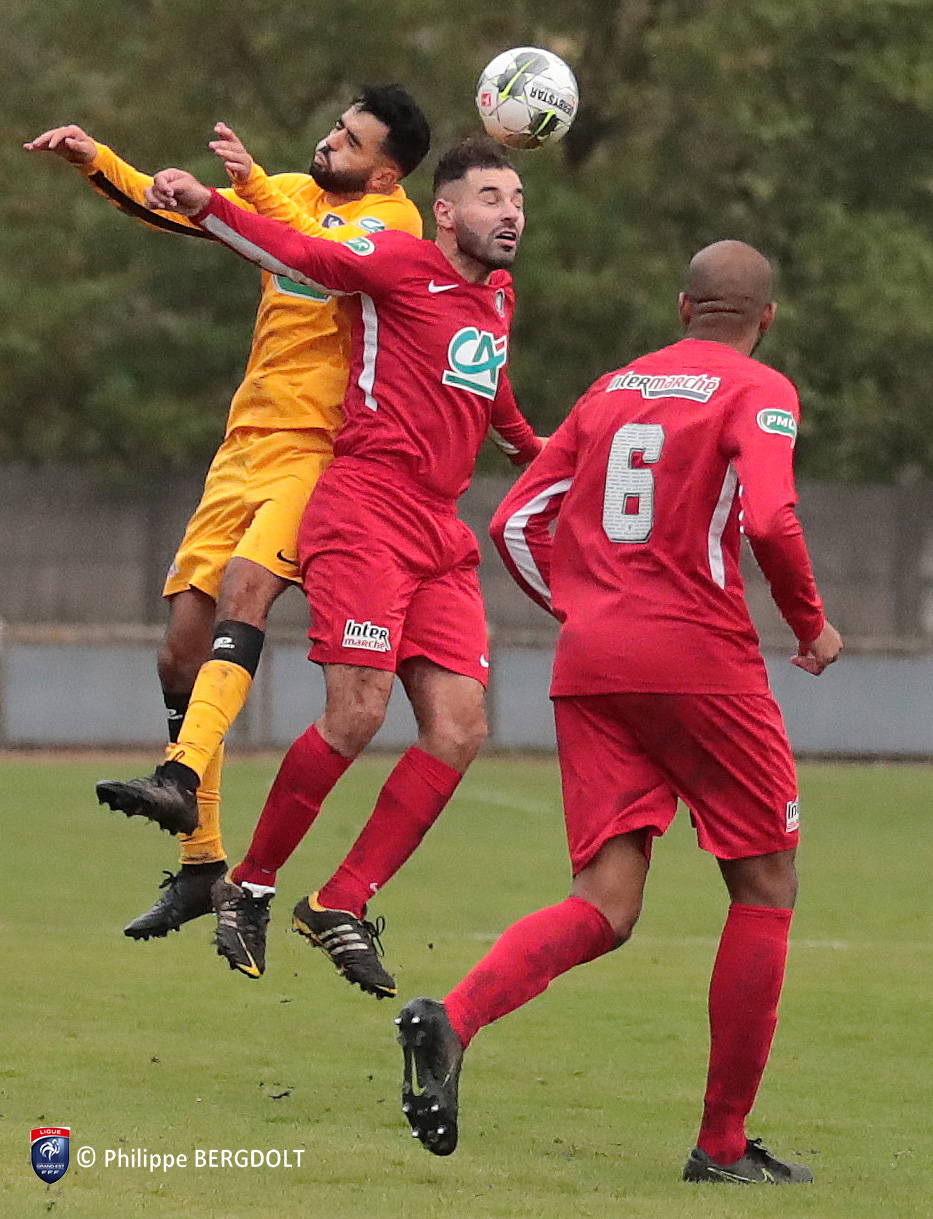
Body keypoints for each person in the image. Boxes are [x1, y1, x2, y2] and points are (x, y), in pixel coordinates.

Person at [395, 240, 843, 1184]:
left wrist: (586, 612)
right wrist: (809, 623)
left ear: (683, 307)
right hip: (700, 662)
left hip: (592, 665)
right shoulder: (759, 388)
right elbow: (770, 518)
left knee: (604, 901)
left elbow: (515, 520)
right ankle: (721, 1145)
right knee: (765, 884)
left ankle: (454, 1018)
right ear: (765, 319)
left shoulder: (611, 389)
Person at [25, 87, 430, 941]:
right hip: (242, 446)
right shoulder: (291, 194)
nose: (330, 141)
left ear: (385, 173)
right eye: (335, 127)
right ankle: (202, 862)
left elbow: (318, 255)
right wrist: (98, 161)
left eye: (351, 140)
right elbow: (190, 215)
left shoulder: (397, 226)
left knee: (245, 589)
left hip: (316, 452)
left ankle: (177, 773)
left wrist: (246, 191)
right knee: (180, 643)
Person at [139, 136, 542, 992]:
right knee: (356, 714)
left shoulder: (498, 297)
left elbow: (490, 385)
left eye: (516, 200)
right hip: (364, 512)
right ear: (444, 212)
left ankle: (339, 901)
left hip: (438, 531)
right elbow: (300, 253)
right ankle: (250, 885)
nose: (510, 213)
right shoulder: (396, 262)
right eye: (491, 198)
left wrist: (532, 451)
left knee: (460, 728)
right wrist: (210, 204)